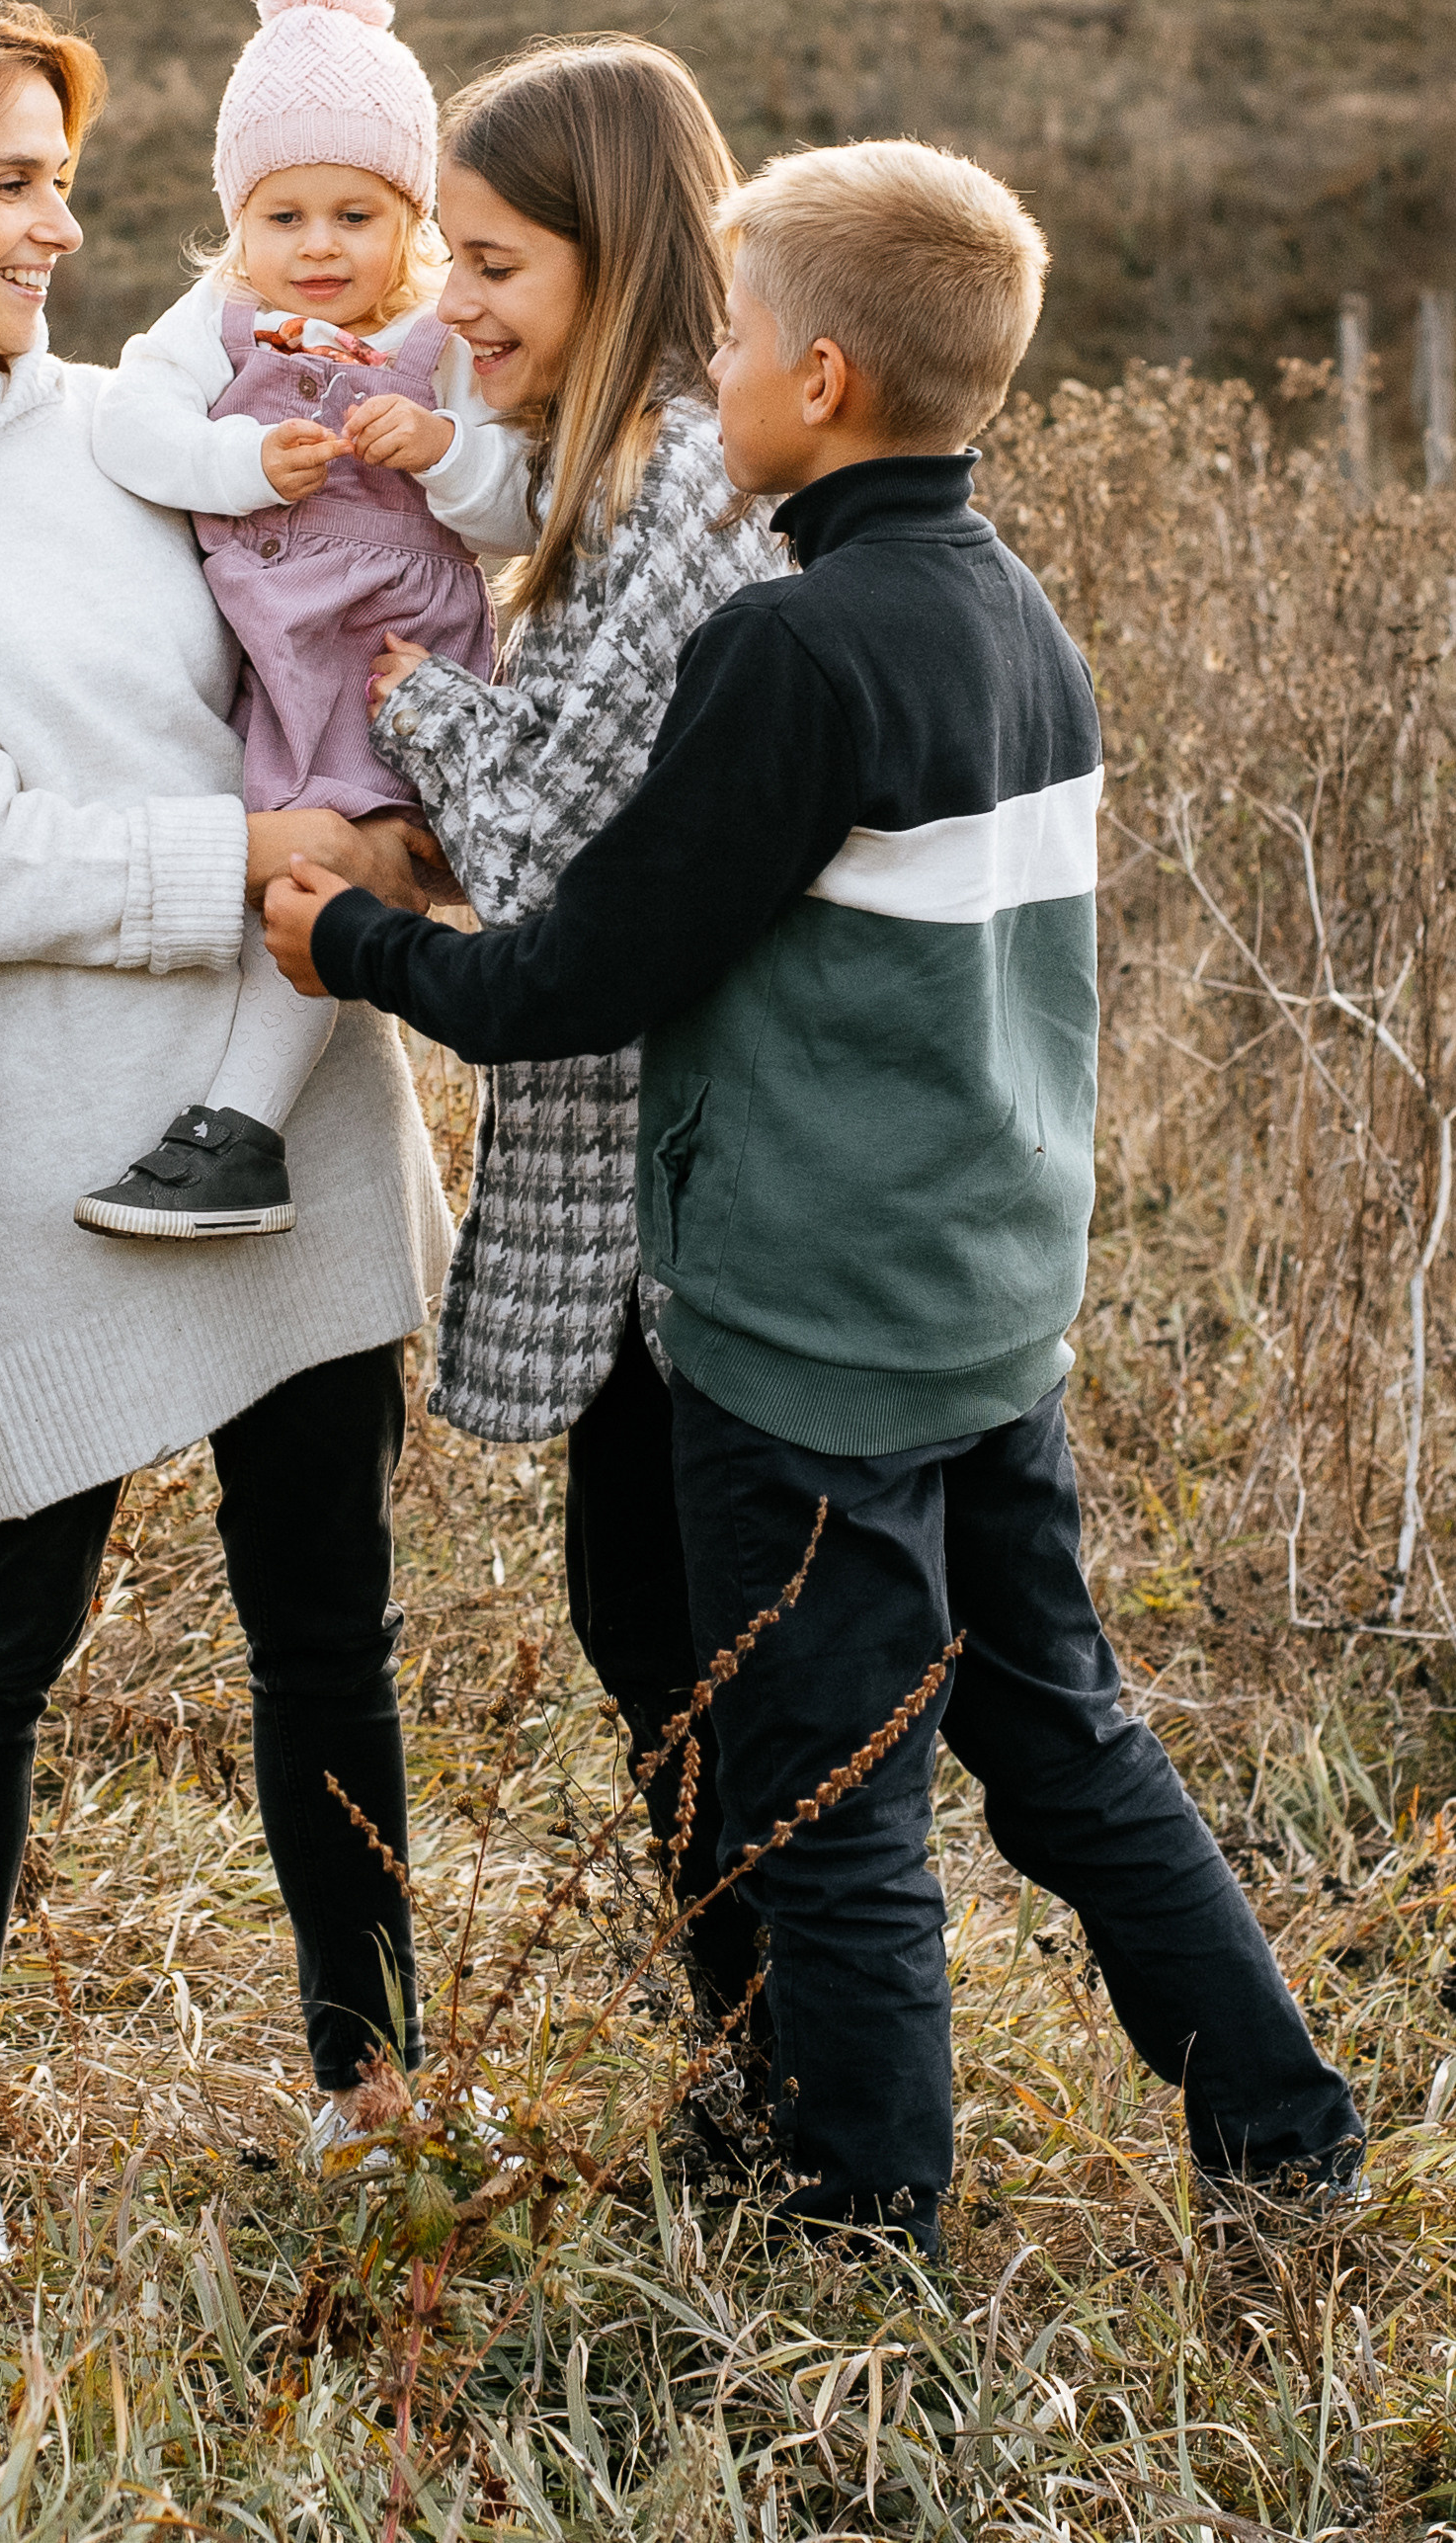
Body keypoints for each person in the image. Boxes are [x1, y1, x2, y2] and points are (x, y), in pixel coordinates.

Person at [267, 136, 1363, 2258]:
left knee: (828, 1804)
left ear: (826, 379)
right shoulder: (1010, 615)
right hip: (981, 1305)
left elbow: (574, 973)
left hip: (805, 1337)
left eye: (740, 338)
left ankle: (855, 2233)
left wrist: (358, 945)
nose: (713, 372)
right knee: (1063, 1740)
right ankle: (1287, 2133)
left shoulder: (794, 649)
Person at [0, 0, 452, 2274]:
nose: (67, 226)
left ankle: (374, 2085)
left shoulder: (132, 425)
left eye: (68, 174)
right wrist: (272, 876)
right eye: (15, 181)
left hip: (286, 1091)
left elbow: (311, 650)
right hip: (27, 1127)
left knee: (322, 1622)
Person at [357, 41, 785, 2053]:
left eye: (495, 257)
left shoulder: (691, 488)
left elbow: (551, 852)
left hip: (697, 1176)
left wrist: (414, 707)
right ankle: (754, 2045)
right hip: (637, 1170)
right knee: (647, 1629)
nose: (454, 300)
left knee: (694, 1640)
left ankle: (793, 2070)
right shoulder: (610, 485)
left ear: (616, 257)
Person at [81, 0, 530, 1241]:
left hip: (386, 648)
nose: (317, 246)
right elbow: (127, 425)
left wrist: (443, 452)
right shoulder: (209, 321)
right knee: (257, 860)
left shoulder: (435, 340)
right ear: (237, 218)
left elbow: (518, 497)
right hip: (266, 644)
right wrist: (237, 459)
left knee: (321, 869)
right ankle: (217, 1101)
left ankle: (243, 1127)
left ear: (411, 220)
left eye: (356, 214)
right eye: (283, 216)